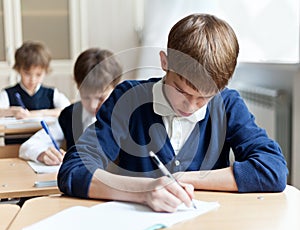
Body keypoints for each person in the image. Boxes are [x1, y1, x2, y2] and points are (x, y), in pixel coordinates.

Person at [58, 14, 288, 213]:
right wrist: (145, 190)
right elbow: (74, 170)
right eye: (181, 90)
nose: (190, 106)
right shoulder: (128, 99)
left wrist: (183, 179)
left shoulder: (227, 104)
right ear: (164, 62)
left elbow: (273, 170)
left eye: (204, 98)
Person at [19, 48, 122, 165]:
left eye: (101, 98)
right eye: (86, 97)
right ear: (78, 88)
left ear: (116, 88)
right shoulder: (71, 115)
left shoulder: (127, 117)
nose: (93, 106)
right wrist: (43, 154)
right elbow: (27, 147)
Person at [0, 41, 70, 119]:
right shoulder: (7, 94)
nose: (32, 80)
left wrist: (34, 114)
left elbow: (68, 109)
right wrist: (12, 112)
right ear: (18, 69)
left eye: (38, 75)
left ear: (45, 71)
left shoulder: (52, 94)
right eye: (27, 74)